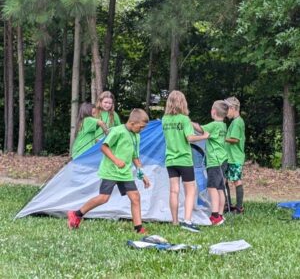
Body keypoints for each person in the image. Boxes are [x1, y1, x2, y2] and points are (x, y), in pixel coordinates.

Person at [67, 108, 151, 234]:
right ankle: (76, 214)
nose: (142, 130)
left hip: (125, 173)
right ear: (132, 123)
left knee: (135, 197)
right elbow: (104, 147)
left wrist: (141, 173)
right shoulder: (117, 131)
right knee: (104, 198)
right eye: (141, 127)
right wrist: (116, 160)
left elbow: (135, 156)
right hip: (111, 171)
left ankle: (139, 228)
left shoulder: (136, 136)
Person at [162, 90, 209, 233]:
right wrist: (204, 136)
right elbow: (189, 138)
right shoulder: (184, 119)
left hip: (170, 160)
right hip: (184, 160)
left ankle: (175, 221)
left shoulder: (165, 119)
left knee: (174, 191)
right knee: (191, 190)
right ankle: (187, 221)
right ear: (183, 103)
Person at [192, 100, 228, 226]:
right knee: (220, 188)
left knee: (212, 188)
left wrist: (188, 122)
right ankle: (221, 214)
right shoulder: (223, 125)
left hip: (214, 161)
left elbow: (200, 129)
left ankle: (215, 216)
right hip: (223, 160)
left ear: (213, 112)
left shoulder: (214, 125)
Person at [224, 96, 245, 214]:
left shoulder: (237, 122)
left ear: (232, 108)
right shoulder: (234, 122)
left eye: (227, 109)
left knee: (236, 180)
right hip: (230, 157)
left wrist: (223, 138)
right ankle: (227, 204)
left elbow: (235, 140)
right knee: (225, 180)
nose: (225, 113)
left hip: (235, 158)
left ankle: (239, 207)